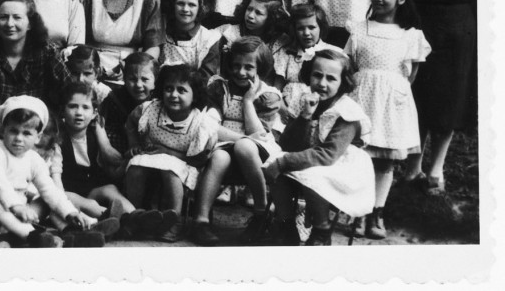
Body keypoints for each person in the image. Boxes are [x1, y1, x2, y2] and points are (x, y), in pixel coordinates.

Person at [403, 0, 477, 197]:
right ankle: (412, 168)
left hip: (457, 33)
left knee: (447, 101)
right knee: (416, 97)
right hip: (420, 26)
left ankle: (436, 169)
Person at [344, 0, 430, 240]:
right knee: (362, 157)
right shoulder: (360, 28)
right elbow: (349, 65)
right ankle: (358, 211)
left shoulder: (410, 35)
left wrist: (392, 95)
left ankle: (376, 212)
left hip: (392, 103)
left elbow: (409, 76)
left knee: (385, 163)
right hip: (362, 98)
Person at [264, 48, 376, 246]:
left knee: (312, 175)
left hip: (340, 166)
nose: (322, 84)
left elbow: (328, 154)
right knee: (275, 162)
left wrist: (285, 162)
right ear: (309, 75)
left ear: (343, 82)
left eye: (331, 78)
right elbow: (288, 145)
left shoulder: (346, 113)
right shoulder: (309, 101)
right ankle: (286, 224)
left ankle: (321, 230)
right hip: (311, 158)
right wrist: (305, 116)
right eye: (317, 75)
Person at [0, 95, 106, 248]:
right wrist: (17, 207)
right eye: (13, 131)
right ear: (3, 130)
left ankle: (72, 232)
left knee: (49, 200)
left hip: (20, 211)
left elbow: (49, 189)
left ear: (38, 137)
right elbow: (0, 184)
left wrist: (70, 212)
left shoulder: (33, 158)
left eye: (27, 133)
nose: (19, 138)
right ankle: (34, 237)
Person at [190, 37, 283, 246]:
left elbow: (258, 133)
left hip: (257, 151)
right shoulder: (219, 88)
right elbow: (211, 125)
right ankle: (201, 220)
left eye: (249, 67)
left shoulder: (267, 95)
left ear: (262, 68)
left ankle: (261, 212)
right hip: (226, 142)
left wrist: (248, 101)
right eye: (236, 66)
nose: (241, 72)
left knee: (244, 146)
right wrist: (241, 137)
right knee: (219, 157)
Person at [125, 64, 218, 242]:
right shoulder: (150, 109)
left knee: (170, 171)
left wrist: (168, 152)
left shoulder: (200, 123)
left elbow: (200, 160)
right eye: (168, 89)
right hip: (150, 157)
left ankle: (174, 220)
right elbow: (130, 121)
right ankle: (134, 215)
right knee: (135, 166)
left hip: (184, 162)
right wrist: (134, 144)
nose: (173, 95)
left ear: (195, 95)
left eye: (181, 90)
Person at [57, 82, 153, 243]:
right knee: (70, 196)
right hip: (69, 194)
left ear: (95, 113)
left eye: (85, 108)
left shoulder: (95, 137)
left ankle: (137, 217)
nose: (79, 113)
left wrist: (127, 161)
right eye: (73, 106)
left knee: (110, 188)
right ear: (62, 111)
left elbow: (111, 173)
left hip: (90, 190)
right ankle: (111, 217)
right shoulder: (59, 139)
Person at [0, 0, 70, 121]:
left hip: (39, 127)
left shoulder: (47, 52)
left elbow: (70, 91)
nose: (9, 24)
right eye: (3, 17)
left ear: (30, 24)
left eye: (17, 17)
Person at [158, 0, 222, 77]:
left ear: (200, 7)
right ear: (173, 5)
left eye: (192, 5)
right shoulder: (161, 32)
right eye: (180, 3)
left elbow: (206, 77)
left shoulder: (209, 39)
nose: (185, 9)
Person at [99, 53, 158, 153]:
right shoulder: (115, 98)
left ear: (155, 80)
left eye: (145, 79)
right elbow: (101, 124)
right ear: (124, 79)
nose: (138, 85)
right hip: (120, 147)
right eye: (132, 79)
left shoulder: (159, 101)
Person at [272, 3, 336, 93]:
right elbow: (277, 88)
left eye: (311, 27)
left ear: (321, 27)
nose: (306, 33)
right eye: (300, 28)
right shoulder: (286, 53)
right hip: (287, 102)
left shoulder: (332, 53)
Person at [217, 0, 290, 55]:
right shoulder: (231, 33)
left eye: (258, 13)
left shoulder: (278, 41)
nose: (250, 15)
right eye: (249, 9)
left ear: (270, 18)